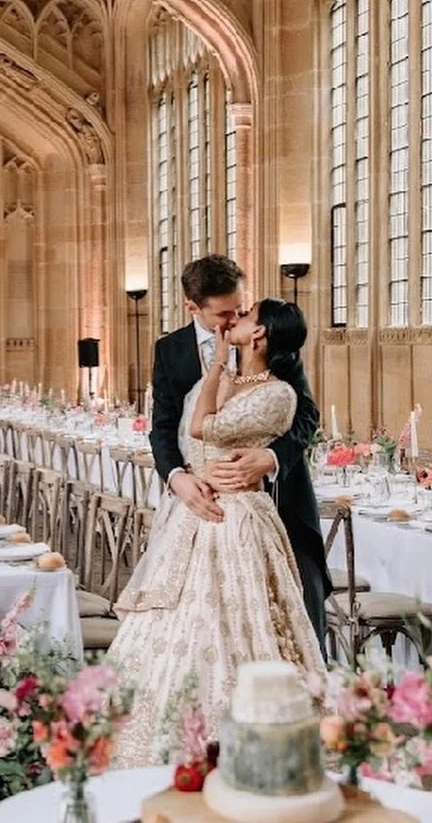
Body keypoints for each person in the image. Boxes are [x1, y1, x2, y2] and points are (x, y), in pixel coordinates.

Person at [106, 275, 327, 766]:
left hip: (263, 501)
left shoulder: (277, 369)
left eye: (240, 311)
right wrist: (178, 478)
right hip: (195, 499)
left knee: (288, 607)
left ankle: (285, 726)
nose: (233, 320)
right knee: (181, 616)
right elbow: (163, 428)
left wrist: (271, 459)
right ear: (194, 308)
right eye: (224, 314)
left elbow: (307, 417)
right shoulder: (172, 351)